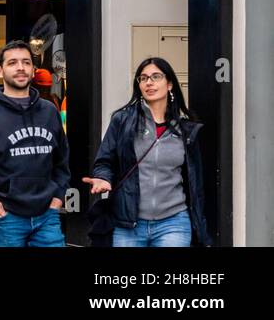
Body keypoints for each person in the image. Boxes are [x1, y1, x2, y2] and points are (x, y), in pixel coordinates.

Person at [82, 57, 208, 247]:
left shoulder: (186, 131)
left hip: (173, 221)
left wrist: (201, 225)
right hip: (128, 223)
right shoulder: (122, 121)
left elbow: (195, 183)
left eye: (156, 76)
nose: (149, 82)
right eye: (143, 78)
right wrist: (103, 177)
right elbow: (104, 161)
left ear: (170, 84)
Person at [0, 40, 71, 247]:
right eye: (13, 63)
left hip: (47, 216)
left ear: (33, 70)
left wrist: (58, 198)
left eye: (26, 62)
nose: (20, 68)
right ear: (0, 70)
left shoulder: (49, 112)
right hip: (5, 218)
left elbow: (61, 162)